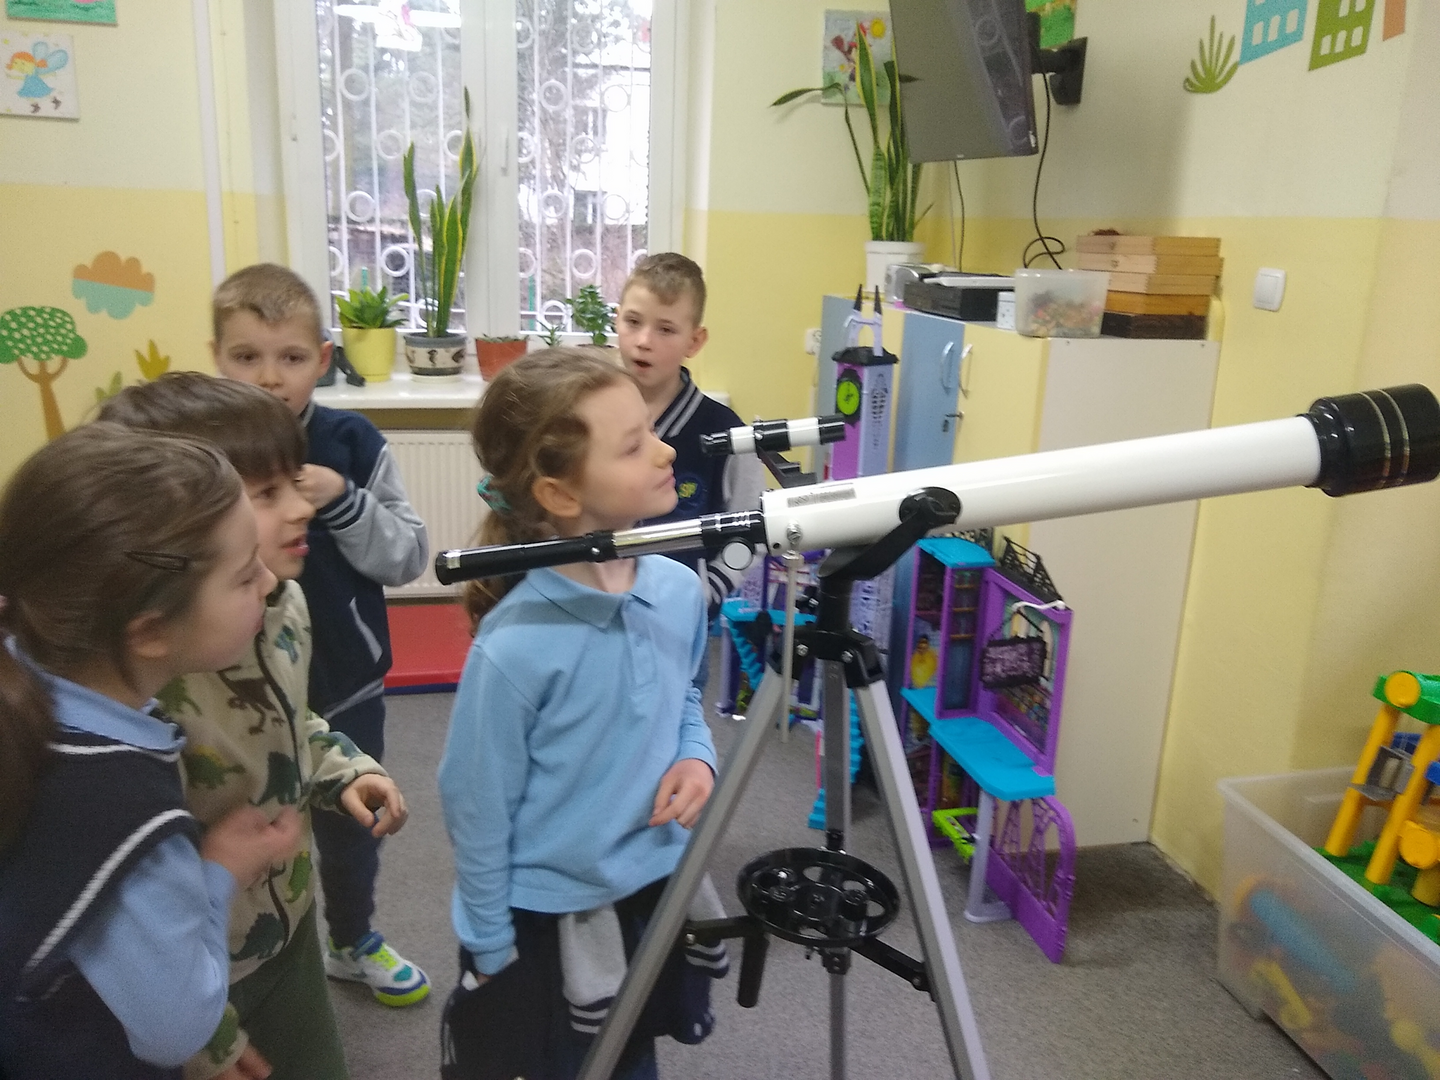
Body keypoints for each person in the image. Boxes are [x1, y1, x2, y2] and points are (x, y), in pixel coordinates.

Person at [99, 373, 413, 1080]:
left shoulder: (285, 605)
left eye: (295, 482)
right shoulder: (142, 686)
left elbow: (289, 720)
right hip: (196, 961)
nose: (302, 506)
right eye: (267, 494)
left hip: (287, 921)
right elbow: (128, 904)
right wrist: (204, 1038)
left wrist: (341, 770)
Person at [438, 350, 726, 1080]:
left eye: (651, 430)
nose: (665, 452)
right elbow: (476, 807)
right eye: (632, 446)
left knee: (633, 1053)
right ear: (560, 494)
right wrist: (490, 948)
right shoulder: (515, 649)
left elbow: (684, 698)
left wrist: (696, 757)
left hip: (651, 883)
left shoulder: (677, 590)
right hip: (554, 917)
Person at [0, 423, 303, 1079]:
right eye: (243, 575)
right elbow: (176, 1027)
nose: (267, 583)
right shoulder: (127, 819)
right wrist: (217, 872)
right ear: (151, 632)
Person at [211, 263, 431, 1006]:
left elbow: (407, 556)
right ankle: (240, 961)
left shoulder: (351, 441)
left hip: (345, 679)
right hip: (237, 686)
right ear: (216, 357)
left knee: (352, 820)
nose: (270, 377)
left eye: (292, 357)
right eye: (246, 356)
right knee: (251, 823)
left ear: (325, 359)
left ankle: (351, 939)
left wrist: (343, 500)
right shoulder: (201, 449)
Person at [615, 252, 765, 613]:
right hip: (600, 611)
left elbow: (752, 532)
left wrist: (708, 590)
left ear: (694, 342)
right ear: (616, 319)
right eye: (633, 321)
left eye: (666, 329)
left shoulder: (727, 433)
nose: (643, 340)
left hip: (682, 622)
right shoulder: (593, 417)